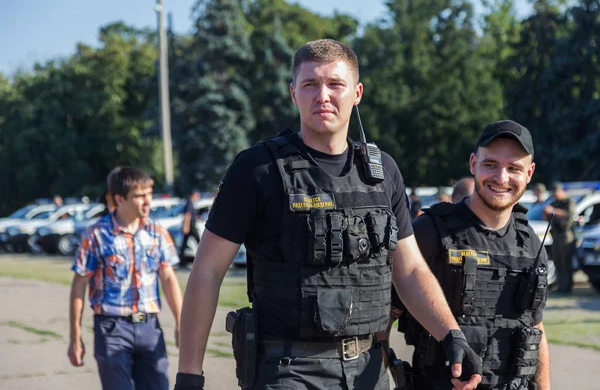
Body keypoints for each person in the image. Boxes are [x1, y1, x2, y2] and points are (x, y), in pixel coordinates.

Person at [174, 39, 482, 390]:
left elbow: (409, 270)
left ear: (357, 93)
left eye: (335, 84)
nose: (323, 95)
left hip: (369, 367)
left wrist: (450, 332)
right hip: (287, 369)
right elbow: (208, 270)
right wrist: (188, 374)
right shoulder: (257, 169)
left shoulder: (383, 173)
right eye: (310, 85)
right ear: (293, 93)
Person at [392, 120, 551, 389]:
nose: (501, 178)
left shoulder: (531, 244)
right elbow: (383, 318)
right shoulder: (430, 233)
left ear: (529, 173)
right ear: (473, 163)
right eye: (491, 164)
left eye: (513, 168)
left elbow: (537, 329)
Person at [67, 166, 183, 390]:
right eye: (140, 196)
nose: (148, 201)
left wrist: (181, 322)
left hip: (150, 327)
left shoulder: (157, 232)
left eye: (149, 194)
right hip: (112, 329)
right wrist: (75, 337)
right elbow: (79, 285)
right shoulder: (96, 235)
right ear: (119, 199)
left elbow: (168, 278)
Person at [544, 182, 575, 294]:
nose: (554, 194)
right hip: (556, 234)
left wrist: (553, 211)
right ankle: (561, 285)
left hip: (566, 234)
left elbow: (569, 215)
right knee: (557, 261)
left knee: (565, 261)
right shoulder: (554, 202)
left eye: (556, 191)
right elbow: (548, 217)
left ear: (561, 191)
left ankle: (567, 287)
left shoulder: (568, 201)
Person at [178, 190, 201, 269]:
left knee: (184, 245)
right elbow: (187, 215)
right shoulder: (189, 202)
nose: (197, 197)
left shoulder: (191, 202)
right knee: (200, 242)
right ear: (193, 195)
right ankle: (182, 261)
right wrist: (186, 226)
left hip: (191, 226)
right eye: (197, 195)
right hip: (191, 227)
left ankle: (182, 261)